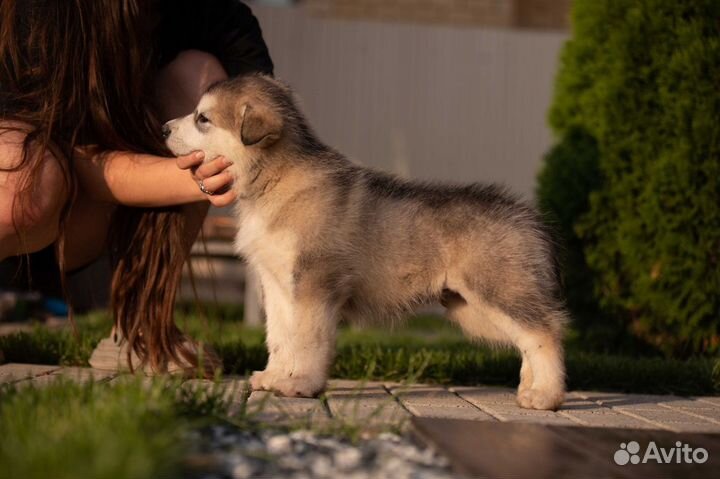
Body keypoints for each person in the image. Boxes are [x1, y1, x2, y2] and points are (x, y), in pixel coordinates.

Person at [0, 0, 274, 374]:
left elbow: (267, 139)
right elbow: (54, 153)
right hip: (23, 206)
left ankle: (139, 329)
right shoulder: (39, 11)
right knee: (23, 174)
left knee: (203, 80)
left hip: (94, 230)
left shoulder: (218, 16)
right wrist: (190, 177)